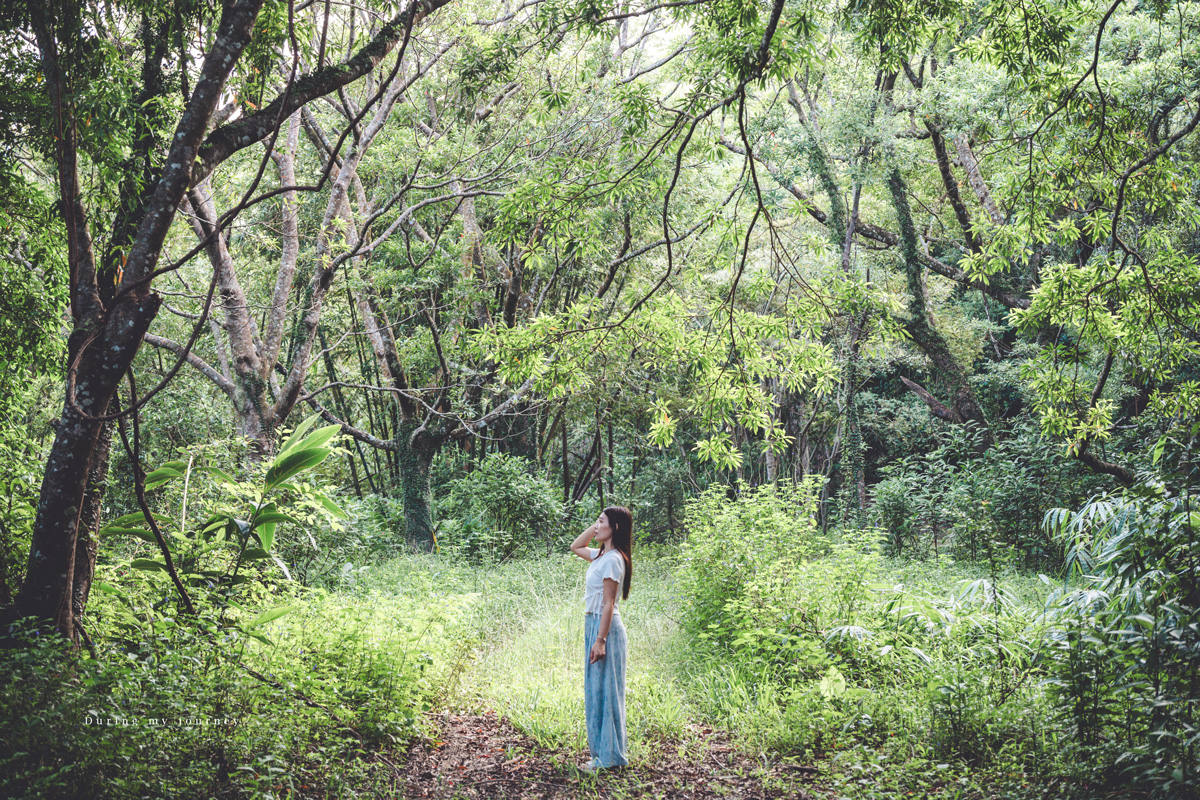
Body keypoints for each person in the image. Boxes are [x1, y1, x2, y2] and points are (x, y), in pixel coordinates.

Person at [569, 506, 633, 772]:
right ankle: (603, 755)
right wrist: (597, 525)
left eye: (601, 521)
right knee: (596, 692)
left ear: (615, 528)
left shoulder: (613, 559)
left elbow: (609, 604)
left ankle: (609, 757)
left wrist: (601, 640)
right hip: (593, 625)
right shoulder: (601, 555)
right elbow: (575, 546)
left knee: (606, 693)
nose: (596, 525)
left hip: (604, 629)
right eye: (596, 520)